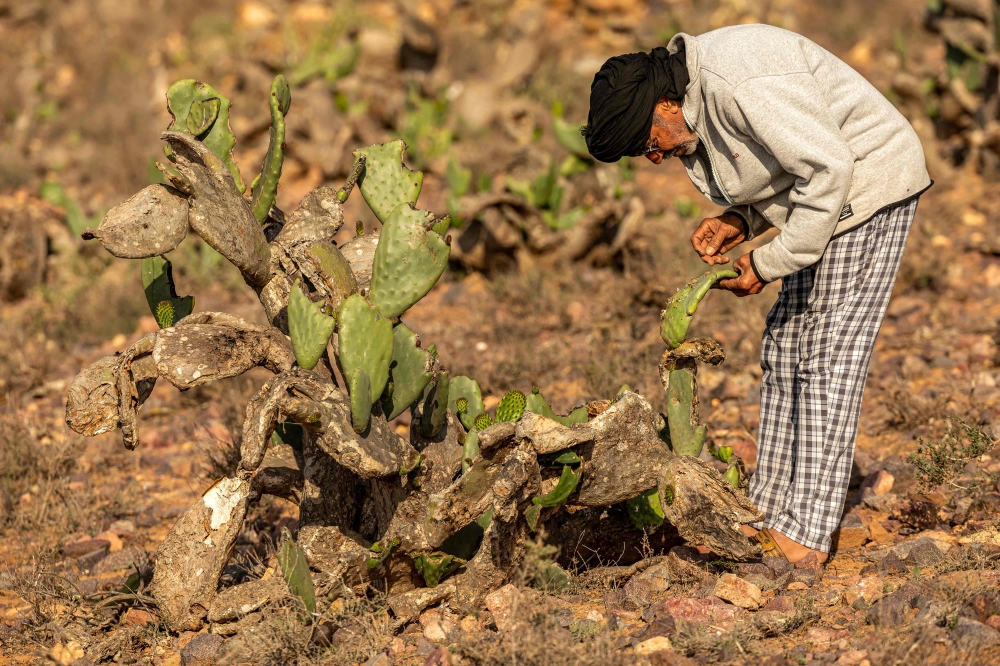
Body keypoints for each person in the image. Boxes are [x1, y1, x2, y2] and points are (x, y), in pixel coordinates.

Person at [583, 24, 930, 564]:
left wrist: (766, 263)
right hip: (827, 201)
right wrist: (738, 222)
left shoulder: (740, 82)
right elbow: (784, 171)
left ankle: (807, 532)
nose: (653, 158)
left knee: (828, 356)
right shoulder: (700, 95)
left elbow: (828, 168)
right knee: (785, 349)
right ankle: (771, 509)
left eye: (647, 144)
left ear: (665, 104)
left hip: (870, 187)